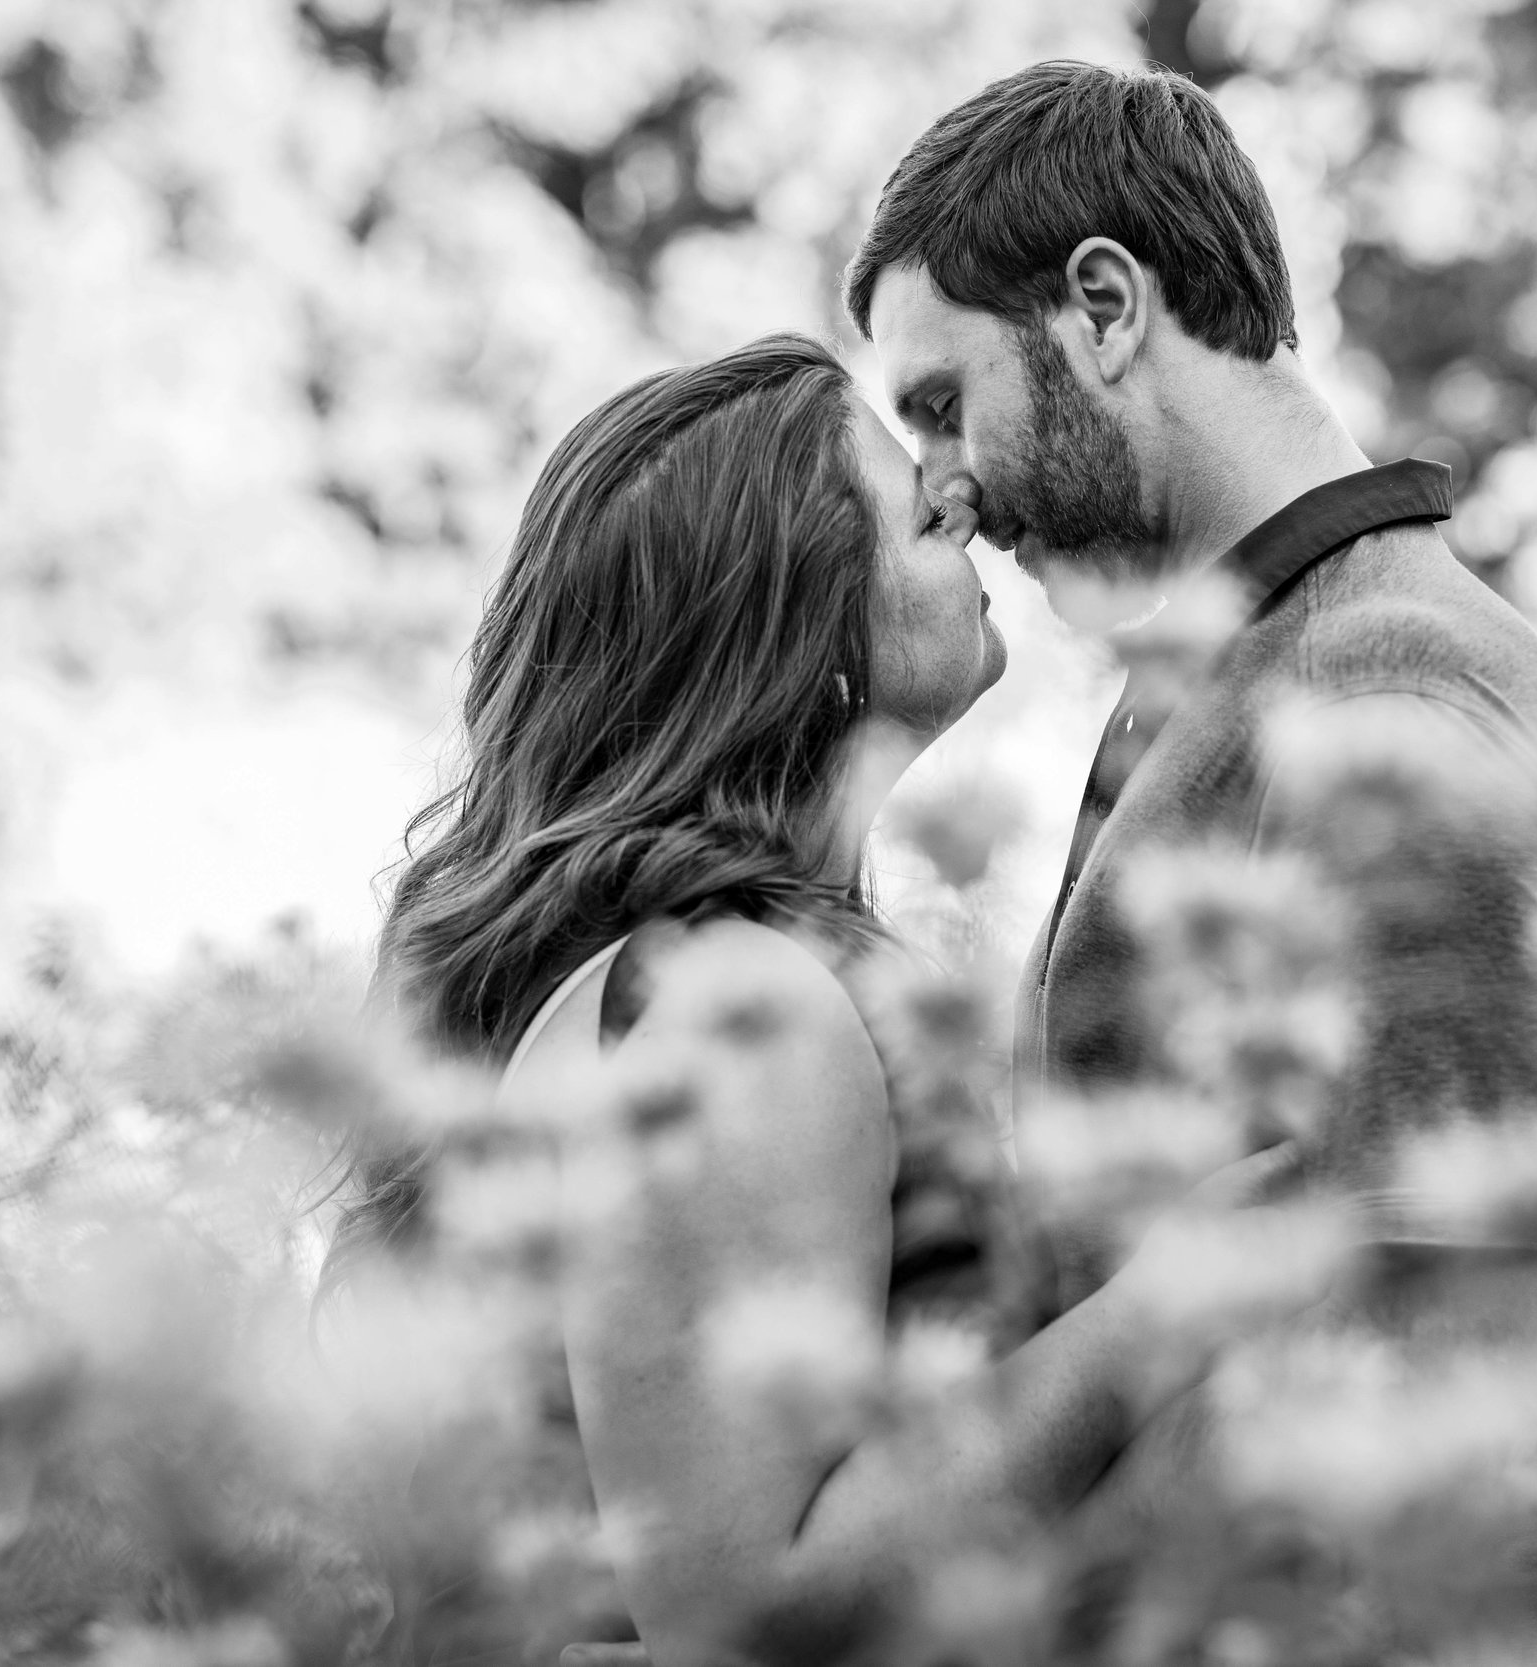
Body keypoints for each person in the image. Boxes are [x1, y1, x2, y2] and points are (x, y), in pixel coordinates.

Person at [324, 334, 1318, 1667]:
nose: (961, 502)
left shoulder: (708, 972)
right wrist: (1165, 1304)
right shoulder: (746, 1011)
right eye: (916, 506)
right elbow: (744, 1617)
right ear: (803, 627)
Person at [846, 61, 1537, 1663]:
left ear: (1107, 308)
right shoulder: (1251, 672)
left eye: (943, 401)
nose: (943, 485)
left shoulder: (1388, 692)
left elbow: (1437, 1353)